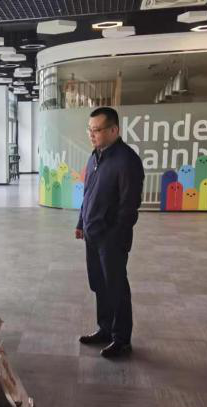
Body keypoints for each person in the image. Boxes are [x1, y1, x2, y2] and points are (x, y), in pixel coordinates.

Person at [76, 107, 144, 359]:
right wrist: (81, 222)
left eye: (97, 130)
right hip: (92, 234)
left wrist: (115, 237)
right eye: (89, 130)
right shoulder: (95, 156)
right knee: (99, 284)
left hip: (111, 239)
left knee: (116, 287)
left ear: (114, 130)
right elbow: (88, 194)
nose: (91, 134)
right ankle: (105, 329)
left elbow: (129, 207)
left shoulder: (127, 161)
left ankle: (121, 339)